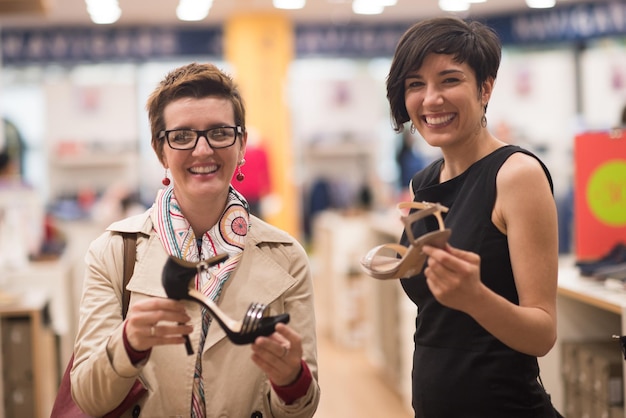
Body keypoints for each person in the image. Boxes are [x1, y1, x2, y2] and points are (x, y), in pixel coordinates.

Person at [70, 62, 320, 417]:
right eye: (182, 136)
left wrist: (292, 379)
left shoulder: (287, 257)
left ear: (241, 143)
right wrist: (128, 344)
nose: (203, 150)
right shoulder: (113, 252)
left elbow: (302, 409)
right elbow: (88, 398)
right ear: (161, 152)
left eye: (219, 132)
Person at [381, 17, 559, 417]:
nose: (430, 99)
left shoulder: (516, 175)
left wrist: (475, 298)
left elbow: (543, 332)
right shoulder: (423, 184)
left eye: (449, 80)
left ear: (485, 89)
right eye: (415, 84)